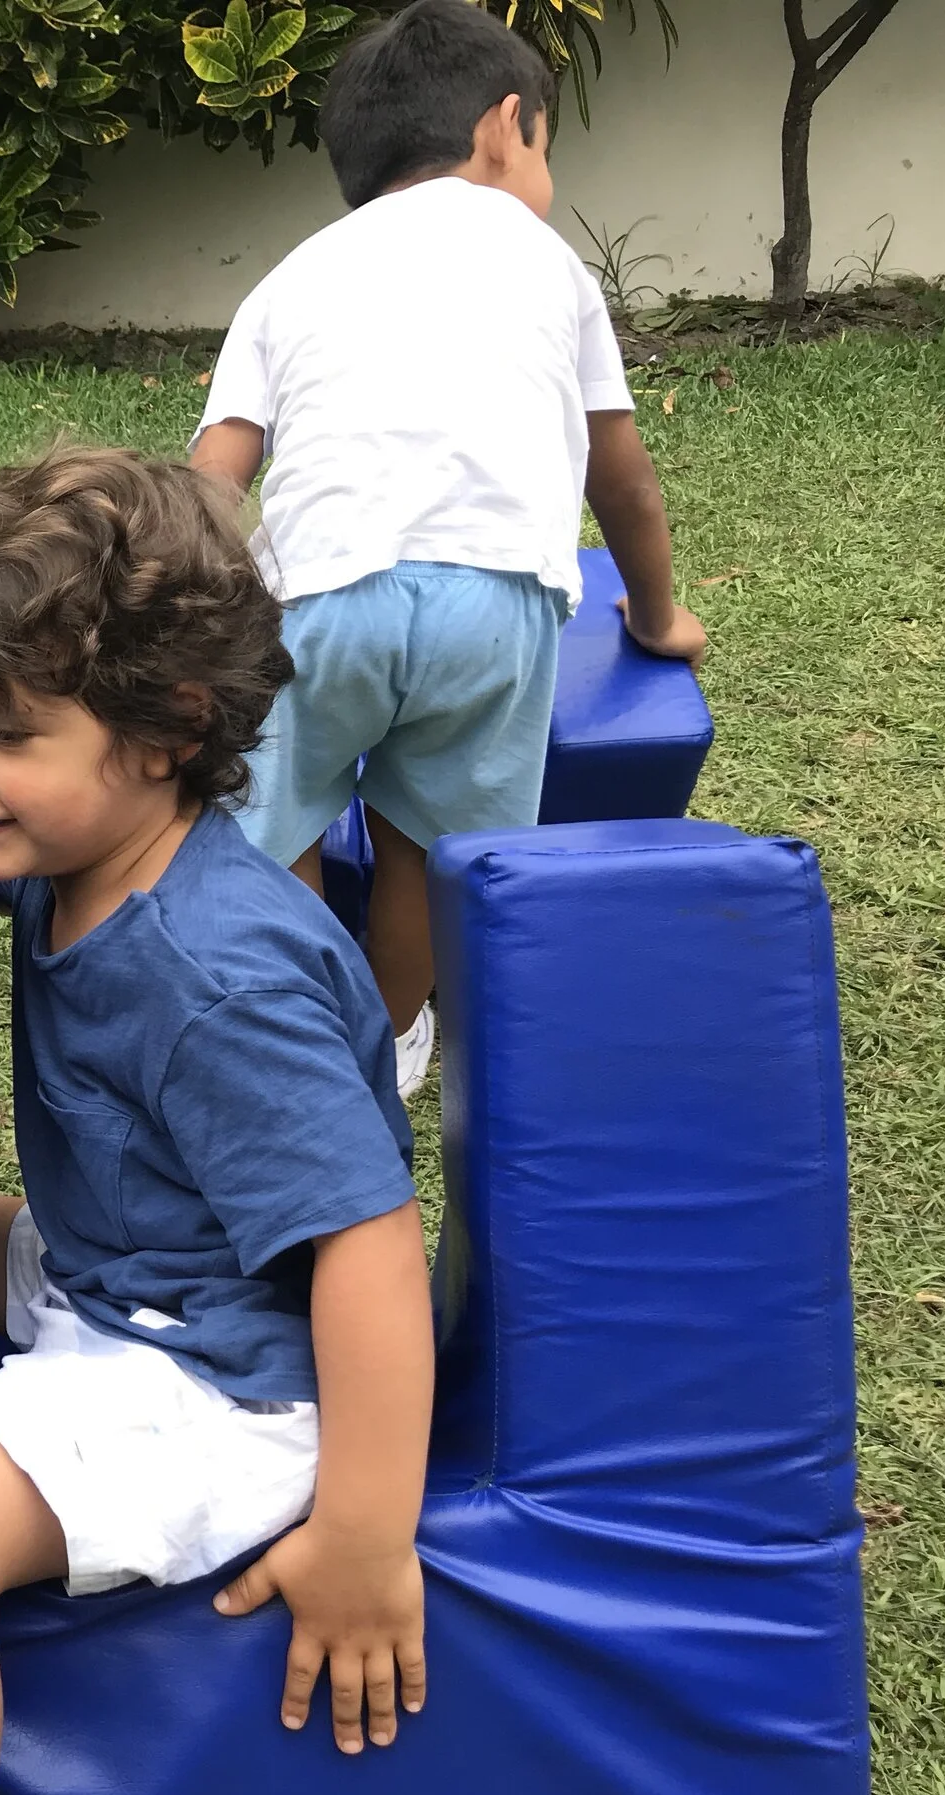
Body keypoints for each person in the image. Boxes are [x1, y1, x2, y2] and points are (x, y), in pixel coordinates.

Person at [0, 445, 435, 1795]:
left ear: (169, 723)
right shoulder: (97, 848)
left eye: (0, 734)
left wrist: (370, 1536)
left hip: (233, 1377)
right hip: (130, 1269)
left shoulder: (221, 979)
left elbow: (369, 1248)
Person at [188, 0, 707, 1098]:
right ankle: (388, 1027)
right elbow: (619, 475)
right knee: (429, 843)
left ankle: (294, 1028)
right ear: (504, 127)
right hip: (496, 602)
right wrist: (658, 620)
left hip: (318, 598)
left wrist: (181, 624)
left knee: (268, 812)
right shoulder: (546, 262)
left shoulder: (287, 280)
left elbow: (213, 478)